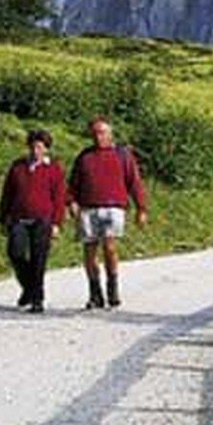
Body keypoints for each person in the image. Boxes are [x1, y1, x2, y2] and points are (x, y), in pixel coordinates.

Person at [66, 116, 149, 309]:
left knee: (109, 247)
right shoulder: (84, 156)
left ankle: (112, 287)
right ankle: (95, 293)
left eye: (102, 132)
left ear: (110, 134)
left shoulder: (122, 155)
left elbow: (134, 182)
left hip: (113, 207)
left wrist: (141, 208)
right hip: (88, 208)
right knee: (89, 251)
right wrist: (71, 202)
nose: (98, 137)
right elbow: (73, 183)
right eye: (94, 133)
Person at [0, 128, 65, 313]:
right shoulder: (17, 167)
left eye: (40, 147)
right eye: (33, 147)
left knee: (39, 259)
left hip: (43, 219)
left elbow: (58, 197)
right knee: (15, 253)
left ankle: (37, 299)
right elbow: (7, 193)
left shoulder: (53, 169)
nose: (36, 151)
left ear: (46, 149)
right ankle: (28, 287)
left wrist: (57, 223)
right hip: (19, 218)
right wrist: (2, 217)